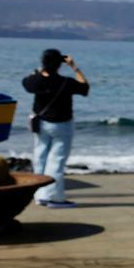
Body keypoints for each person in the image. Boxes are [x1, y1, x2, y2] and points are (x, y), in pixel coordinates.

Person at [22, 47, 89, 208]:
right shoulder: (66, 82)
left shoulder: (35, 81)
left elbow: (26, 82)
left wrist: (40, 70)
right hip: (62, 125)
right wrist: (74, 67)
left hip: (41, 124)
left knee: (40, 158)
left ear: (43, 62)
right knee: (56, 161)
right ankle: (54, 197)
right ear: (59, 64)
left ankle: (39, 194)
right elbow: (85, 87)